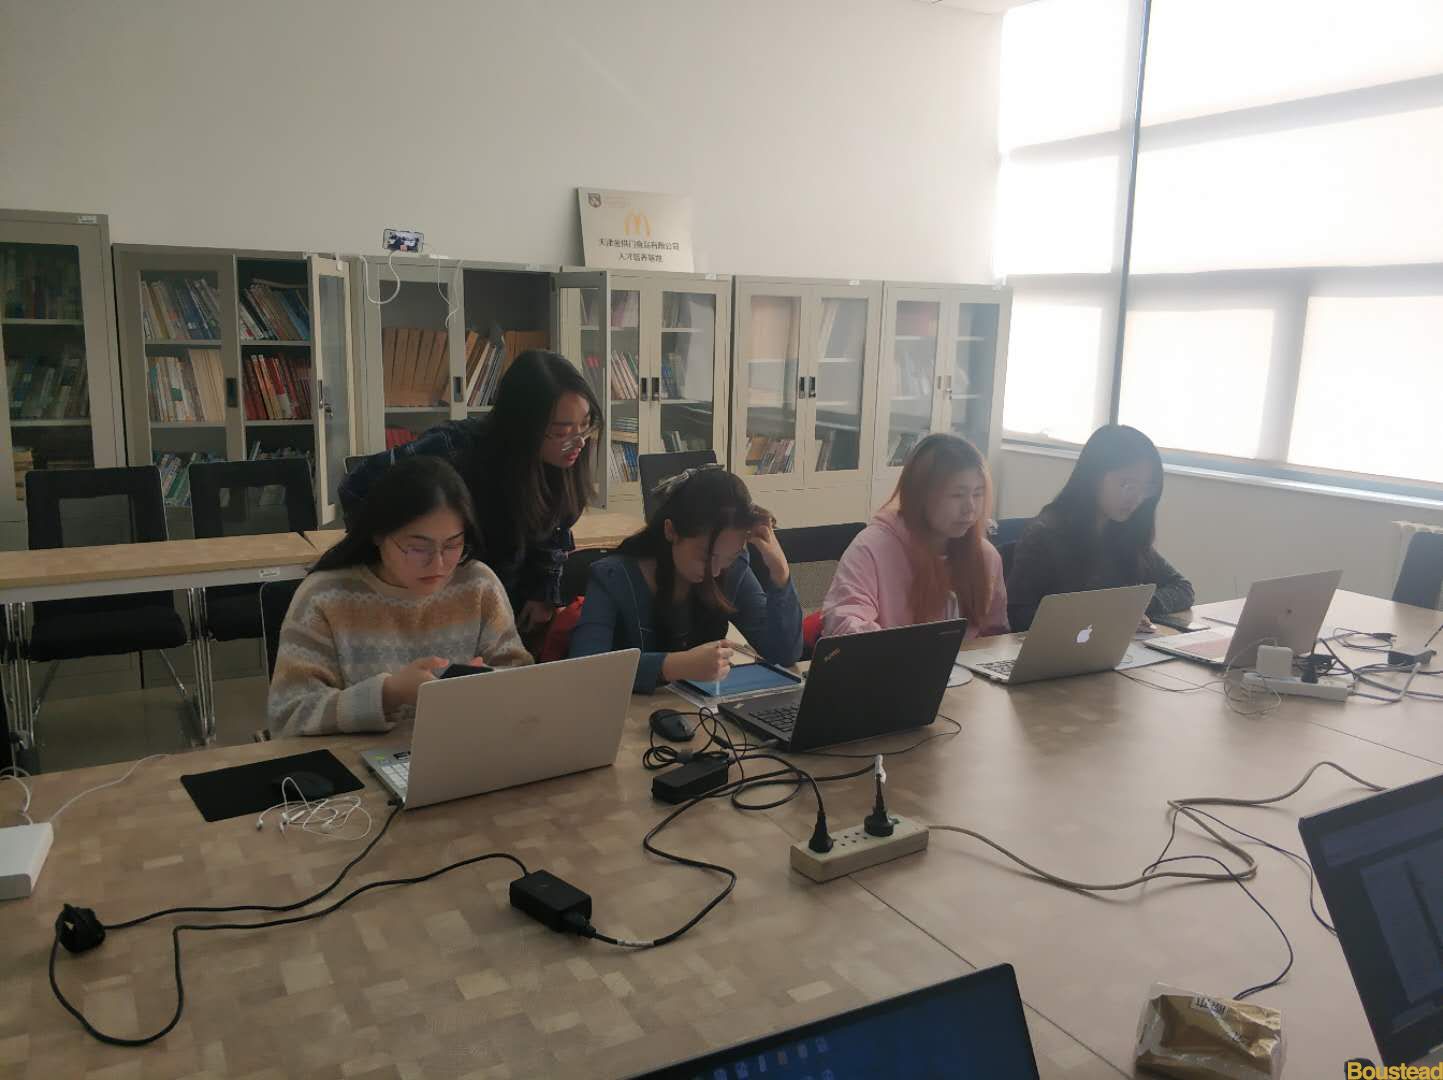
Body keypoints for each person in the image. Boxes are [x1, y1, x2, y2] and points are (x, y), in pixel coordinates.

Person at [339, 349, 601, 638]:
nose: (578, 441)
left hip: (508, 608)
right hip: (437, 606)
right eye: (561, 431)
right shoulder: (454, 448)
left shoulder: (562, 462)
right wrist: (396, 564)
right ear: (522, 425)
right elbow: (357, 485)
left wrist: (544, 592)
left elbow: (555, 529)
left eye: (585, 424)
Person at [269, 456, 531, 738]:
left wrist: (483, 683)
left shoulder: (478, 585)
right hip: (360, 758)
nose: (438, 564)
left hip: (463, 747)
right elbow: (288, 716)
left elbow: (523, 682)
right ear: (378, 535)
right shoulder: (325, 597)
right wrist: (388, 695)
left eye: (453, 545)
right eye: (418, 548)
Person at [569, 465, 803, 694]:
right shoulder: (612, 577)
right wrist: (677, 666)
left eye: (729, 558)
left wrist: (780, 572)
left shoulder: (732, 570)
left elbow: (784, 653)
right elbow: (586, 671)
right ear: (671, 531)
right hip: (627, 714)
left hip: (699, 712)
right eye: (705, 557)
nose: (715, 571)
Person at [1005, 424, 1195, 632]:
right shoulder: (1045, 534)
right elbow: (1019, 616)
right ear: (1094, 476)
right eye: (1127, 485)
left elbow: (1182, 587)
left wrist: (1131, 608)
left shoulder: (1124, 530)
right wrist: (1100, 616)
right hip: (1061, 646)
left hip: (1112, 644)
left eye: (1146, 488)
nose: (1137, 498)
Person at [822, 433, 1007, 640]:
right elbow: (845, 622)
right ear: (920, 495)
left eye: (978, 494)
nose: (970, 508)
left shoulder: (985, 555)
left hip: (966, 662)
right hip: (890, 659)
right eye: (957, 495)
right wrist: (901, 650)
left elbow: (995, 632)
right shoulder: (871, 548)